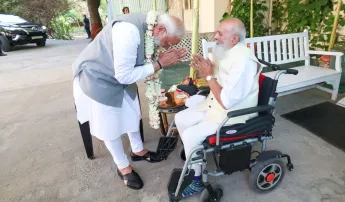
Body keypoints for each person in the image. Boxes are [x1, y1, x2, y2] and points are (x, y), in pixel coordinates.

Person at [72, 13, 186, 190]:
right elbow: (124, 75)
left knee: (132, 113)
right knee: (110, 126)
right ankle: (123, 166)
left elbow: (134, 67)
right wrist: (159, 64)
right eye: (168, 43)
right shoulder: (128, 32)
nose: (166, 47)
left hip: (121, 77)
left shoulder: (151, 30)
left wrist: (159, 60)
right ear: (161, 29)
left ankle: (138, 151)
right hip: (97, 77)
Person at [174, 18, 262, 198]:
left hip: (231, 115)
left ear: (235, 39)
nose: (215, 36)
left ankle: (197, 181)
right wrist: (204, 69)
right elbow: (216, 77)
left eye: (220, 33)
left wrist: (208, 76)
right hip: (214, 105)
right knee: (180, 118)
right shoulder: (226, 51)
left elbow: (227, 102)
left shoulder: (244, 61)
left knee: (191, 134)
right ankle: (195, 157)